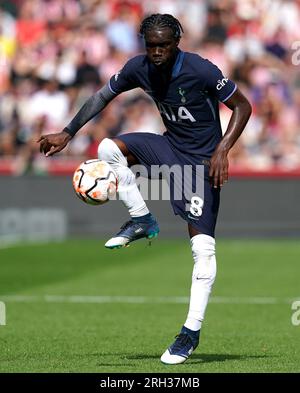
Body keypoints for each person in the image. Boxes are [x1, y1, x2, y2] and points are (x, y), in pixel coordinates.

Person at [38, 14, 252, 364]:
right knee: (108, 149)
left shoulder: (201, 70)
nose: (156, 52)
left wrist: (223, 150)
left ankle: (190, 333)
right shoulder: (138, 67)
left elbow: (242, 105)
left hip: (199, 165)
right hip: (168, 147)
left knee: (203, 250)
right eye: (150, 45)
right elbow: (101, 96)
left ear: (176, 42)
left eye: (163, 45)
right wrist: (68, 131)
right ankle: (142, 219)